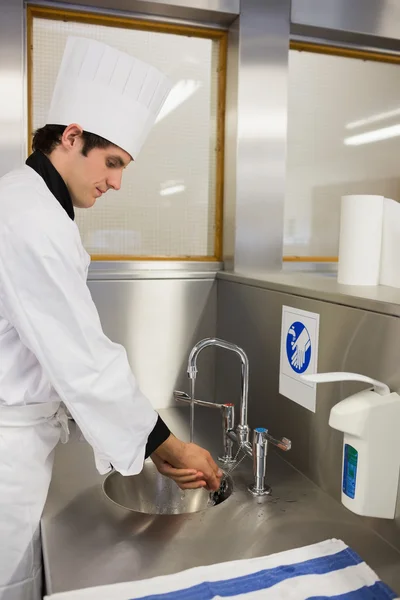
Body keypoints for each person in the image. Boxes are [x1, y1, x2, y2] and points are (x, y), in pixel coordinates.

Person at [0, 36, 222, 600]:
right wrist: (165, 445)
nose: (118, 182)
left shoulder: (34, 206)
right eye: (113, 162)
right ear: (71, 137)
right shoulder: (32, 219)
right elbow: (83, 360)